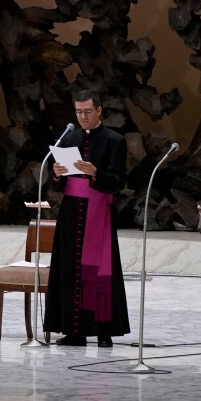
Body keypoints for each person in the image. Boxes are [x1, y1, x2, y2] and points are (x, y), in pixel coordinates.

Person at [42, 84, 130, 346]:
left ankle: (103, 331)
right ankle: (74, 330)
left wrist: (95, 173)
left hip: (98, 213)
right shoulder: (69, 139)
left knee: (100, 270)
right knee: (69, 269)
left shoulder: (115, 141)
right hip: (71, 213)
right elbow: (56, 181)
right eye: (78, 112)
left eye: (87, 111)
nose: (82, 117)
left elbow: (117, 182)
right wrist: (56, 174)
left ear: (99, 110)